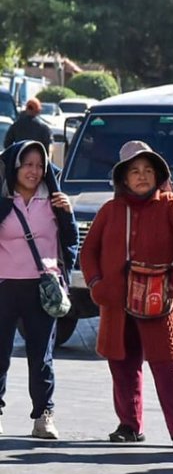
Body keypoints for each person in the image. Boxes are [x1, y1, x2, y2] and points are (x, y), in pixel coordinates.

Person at [80, 141, 173, 450]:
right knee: (122, 364)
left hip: (158, 304)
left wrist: (170, 287)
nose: (141, 176)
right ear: (123, 178)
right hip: (115, 305)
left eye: (148, 170)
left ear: (158, 175)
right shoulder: (110, 210)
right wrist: (97, 284)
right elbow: (88, 252)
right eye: (134, 171)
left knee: (167, 365)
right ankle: (129, 425)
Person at [0, 140, 78, 438]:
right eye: (27, 164)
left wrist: (61, 275)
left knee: (41, 354)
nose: (33, 171)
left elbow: (70, 240)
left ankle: (44, 416)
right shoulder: (3, 199)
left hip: (42, 288)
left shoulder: (55, 200)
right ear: (15, 167)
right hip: (5, 286)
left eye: (39, 165)